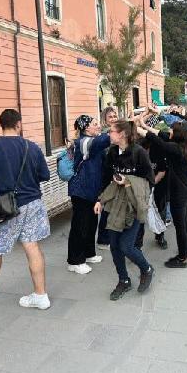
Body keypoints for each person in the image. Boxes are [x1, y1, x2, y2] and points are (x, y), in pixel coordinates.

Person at [0, 109, 51, 309]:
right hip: (32, 203)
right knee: (31, 246)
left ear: (2, 125)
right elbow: (44, 175)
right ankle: (41, 295)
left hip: (3, 207)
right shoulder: (31, 147)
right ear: (19, 124)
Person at [96, 120, 155, 300]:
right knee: (114, 246)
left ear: (122, 134)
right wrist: (100, 199)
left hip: (133, 205)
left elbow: (149, 180)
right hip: (114, 204)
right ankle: (124, 280)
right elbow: (107, 178)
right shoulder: (112, 152)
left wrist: (128, 182)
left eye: (112, 131)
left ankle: (147, 268)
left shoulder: (139, 153)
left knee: (127, 246)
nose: (108, 134)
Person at [137, 117, 187, 268]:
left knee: (180, 225)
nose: (169, 131)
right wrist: (143, 125)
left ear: (176, 134)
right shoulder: (184, 145)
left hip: (179, 192)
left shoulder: (176, 149)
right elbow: (160, 135)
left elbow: (158, 141)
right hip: (184, 189)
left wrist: (135, 128)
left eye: (171, 130)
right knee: (182, 224)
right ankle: (185, 251)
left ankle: (183, 258)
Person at [67, 115, 110, 274]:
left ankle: (89, 253)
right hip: (81, 191)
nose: (98, 126)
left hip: (92, 191)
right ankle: (75, 261)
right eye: (95, 124)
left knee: (91, 223)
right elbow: (104, 140)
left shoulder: (91, 140)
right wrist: (115, 129)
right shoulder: (84, 142)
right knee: (80, 226)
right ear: (86, 128)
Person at [97, 107, 118, 250]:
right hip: (106, 173)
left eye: (115, 115)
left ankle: (108, 237)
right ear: (105, 119)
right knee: (107, 207)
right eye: (110, 116)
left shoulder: (115, 132)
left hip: (113, 172)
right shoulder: (105, 135)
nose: (114, 118)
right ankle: (103, 239)